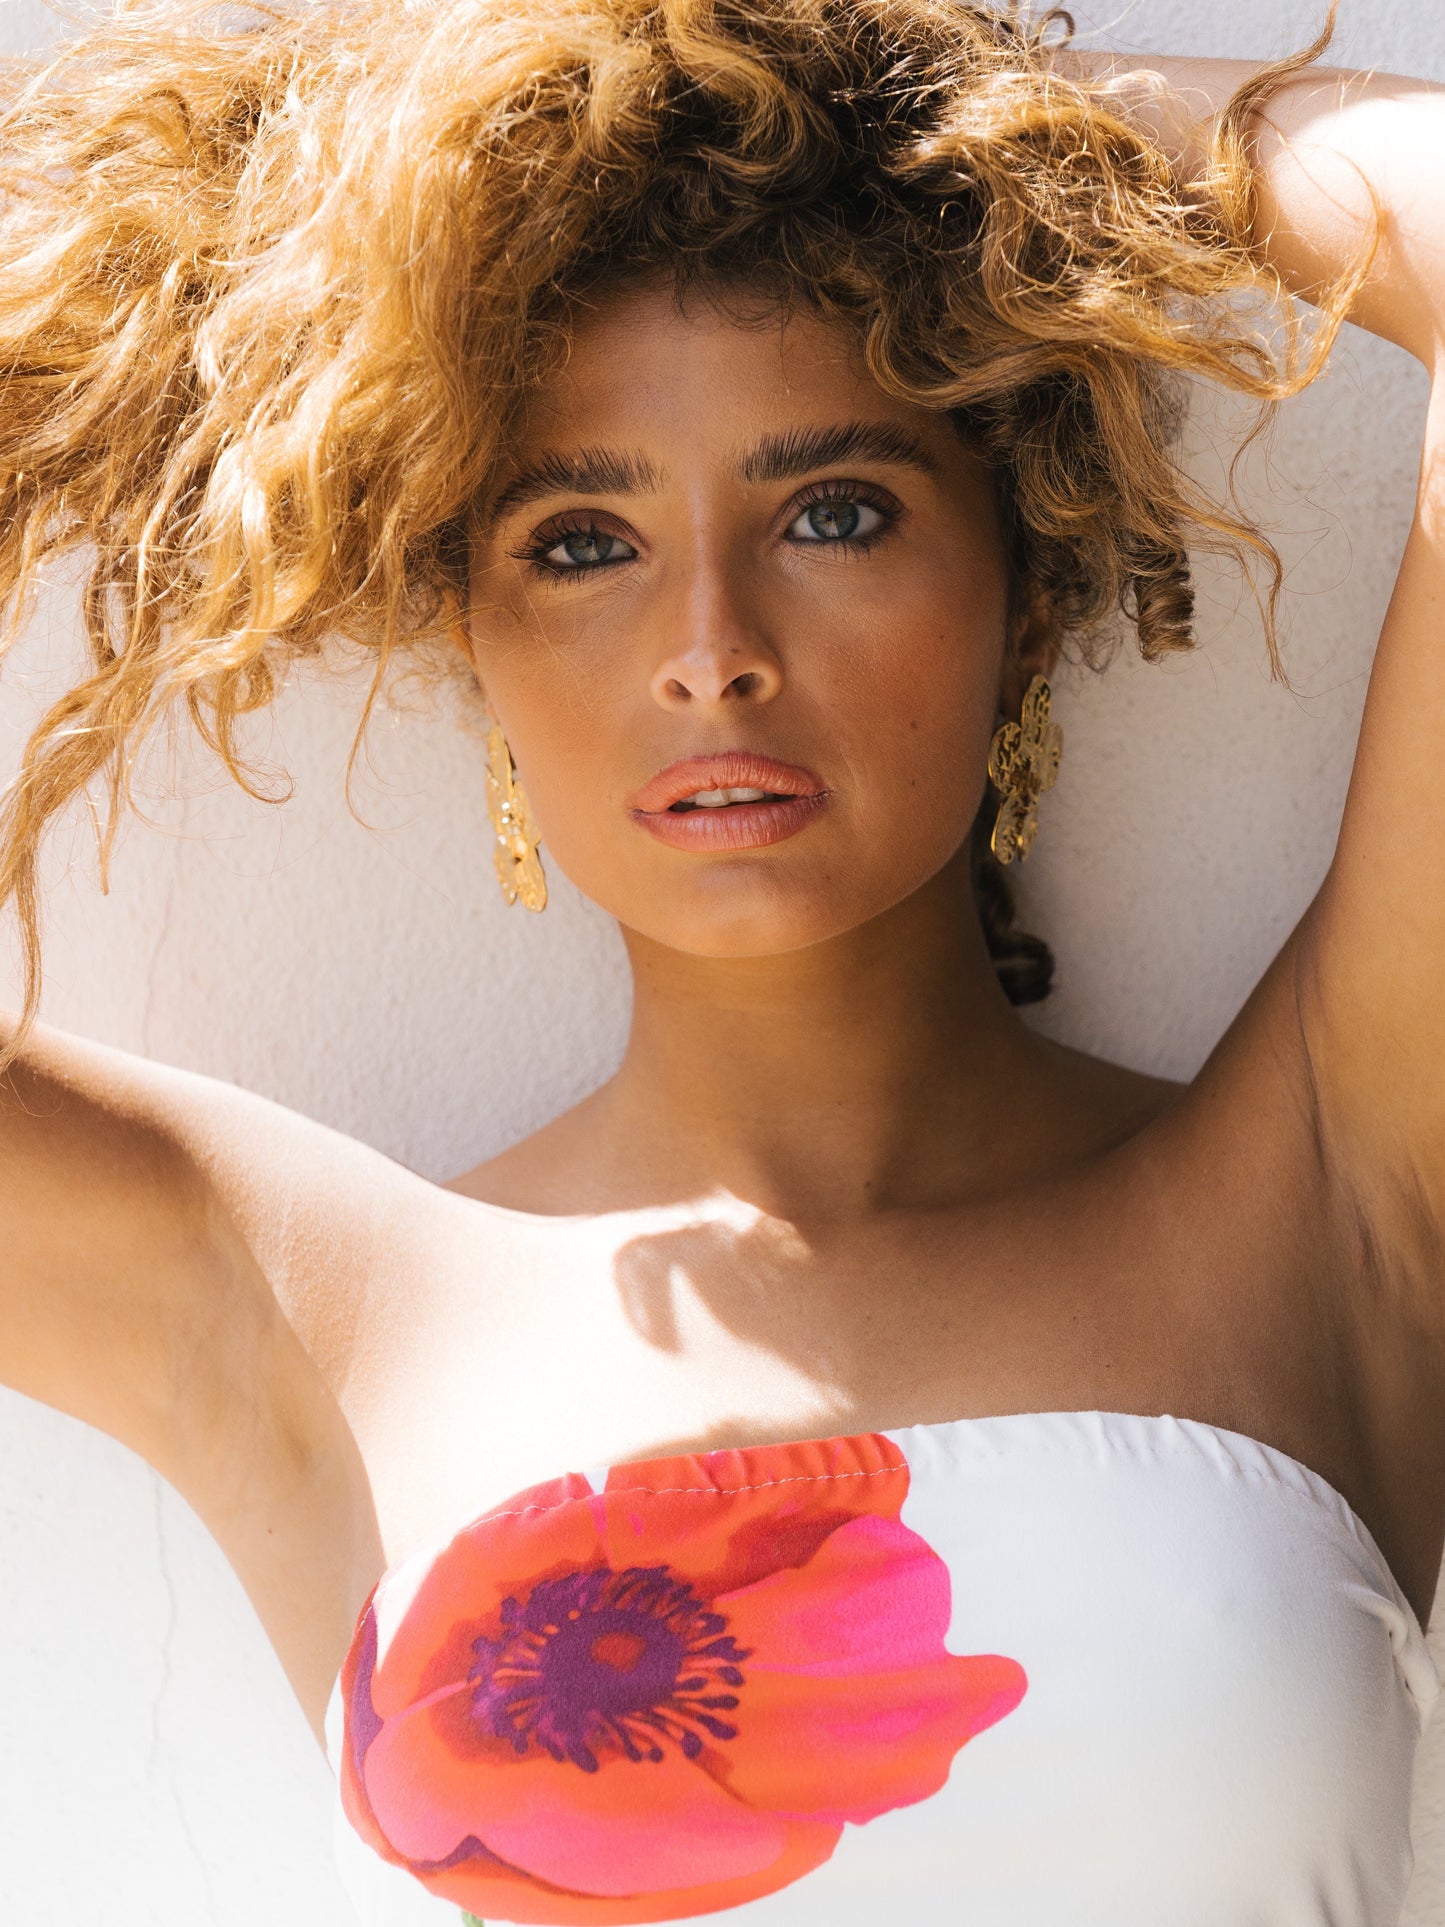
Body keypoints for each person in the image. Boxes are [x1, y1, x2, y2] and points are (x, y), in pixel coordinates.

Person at [1, 0, 1442, 1920]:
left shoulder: (1330, 1190)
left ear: (1022, 599)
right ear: (477, 649)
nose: (711, 651)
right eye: (580, 541)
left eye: (833, 513)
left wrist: (953, 123)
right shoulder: (284, 1299)